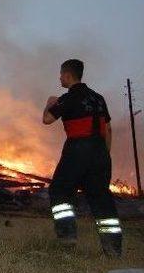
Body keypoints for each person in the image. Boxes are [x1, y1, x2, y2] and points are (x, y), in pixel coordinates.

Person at [42, 59, 122, 256]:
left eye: (61, 74)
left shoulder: (67, 98)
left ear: (68, 75)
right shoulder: (98, 98)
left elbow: (47, 119)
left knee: (60, 191)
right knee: (101, 198)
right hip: (100, 152)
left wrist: (49, 103)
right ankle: (113, 249)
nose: (60, 78)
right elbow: (108, 128)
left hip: (77, 148)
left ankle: (67, 239)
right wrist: (105, 155)